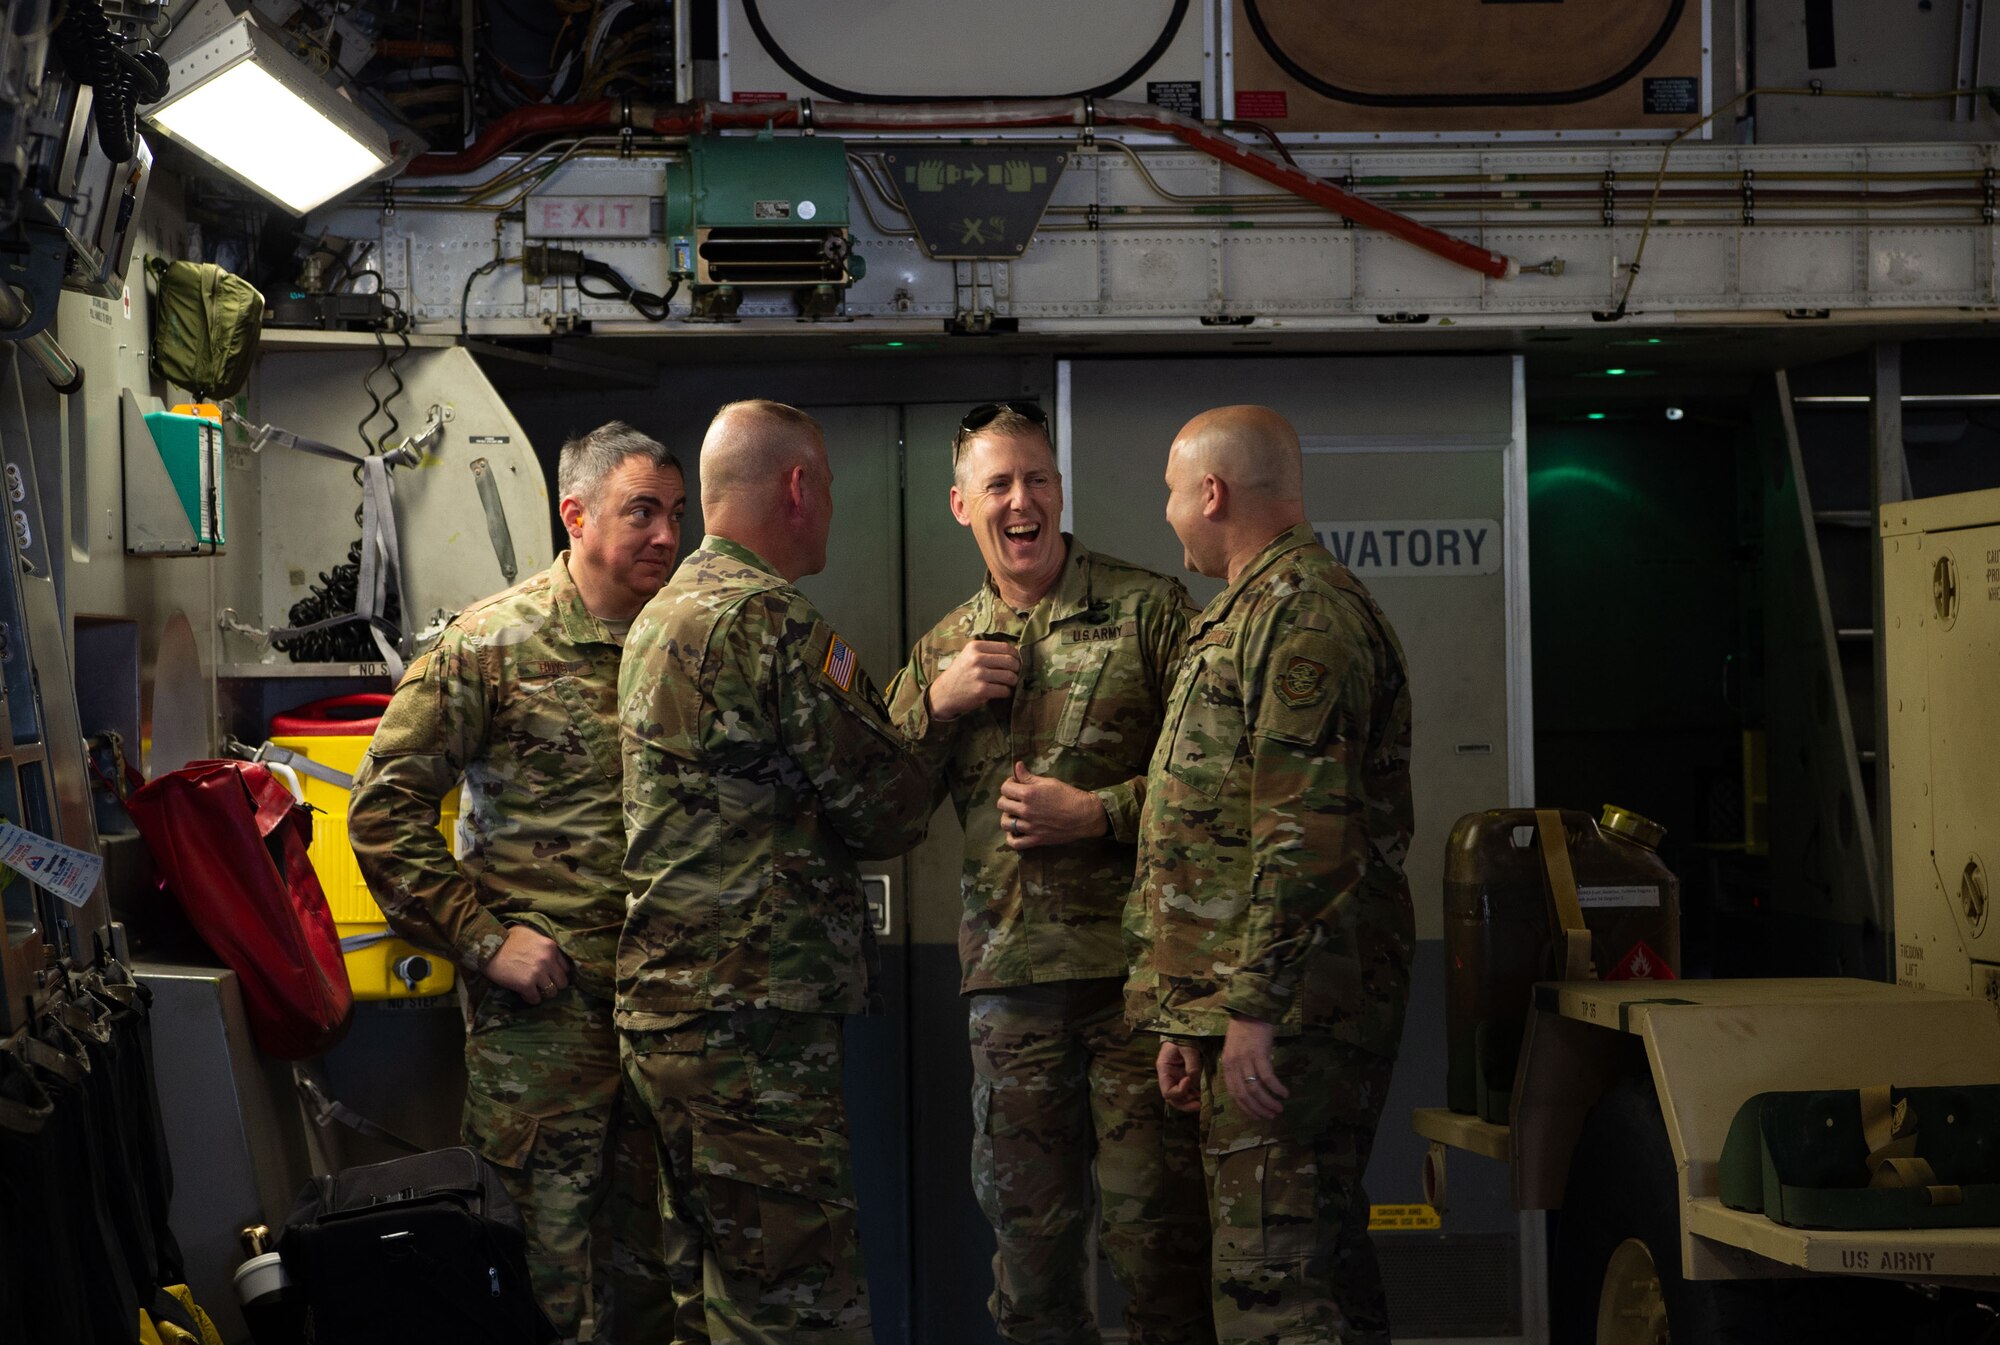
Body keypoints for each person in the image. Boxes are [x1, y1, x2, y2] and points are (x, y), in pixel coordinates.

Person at [348, 420, 691, 1344]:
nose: (666, 534)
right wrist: (486, 941)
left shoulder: (690, 643)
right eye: (641, 512)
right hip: (544, 1029)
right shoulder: (491, 644)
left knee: (659, 1278)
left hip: (669, 1021)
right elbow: (382, 815)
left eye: (675, 513)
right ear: (575, 515)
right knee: (536, 1281)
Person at [883, 402, 1213, 1345]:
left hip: (1139, 987)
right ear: (961, 505)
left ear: (1061, 490)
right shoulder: (943, 650)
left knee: (1160, 1253)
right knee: (1030, 1263)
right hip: (1013, 994)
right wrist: (933, 710)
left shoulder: (1149, 611)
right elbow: (879, 812)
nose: (1021, 502)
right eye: (998, 485)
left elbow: (1219, 789)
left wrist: (1096, 812)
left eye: (1037, 479)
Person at [617, 399, 933, 1345]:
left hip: (667, 1017)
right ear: (798, 487)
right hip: (750, 1020)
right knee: (797, 1305)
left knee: (707, 1298)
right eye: (826, 485)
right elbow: (887, 806)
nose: (829, 505)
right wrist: (934, 705)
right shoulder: (770, 622)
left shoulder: (659, 616)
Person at [1126, 405, 1415, 1345]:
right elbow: (1210, 824)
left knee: (1274, 1294)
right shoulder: (1249, 612)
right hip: (1249, 1009)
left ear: (1211, 492)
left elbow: (1306, 835)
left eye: (1172, 493)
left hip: (1291, 1014)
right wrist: (1190, 1016)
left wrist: (1251, 1010)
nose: (1168, 514)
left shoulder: (1305, 619)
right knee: (1309, 1266)